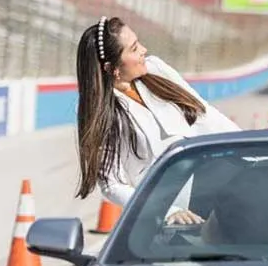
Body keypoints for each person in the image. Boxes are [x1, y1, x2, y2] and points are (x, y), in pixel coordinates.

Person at [74, 16, 239, 224]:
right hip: (178, 209)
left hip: (216, 176)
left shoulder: (156, 69)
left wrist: (250, 148)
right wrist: (167, 211)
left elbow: (205, 114)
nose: (143, 49)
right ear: (110, 68)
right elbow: (112, 185)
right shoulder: (106, 114)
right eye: (134, 48)